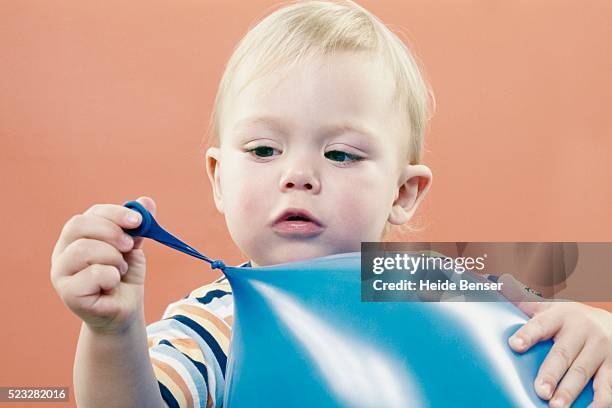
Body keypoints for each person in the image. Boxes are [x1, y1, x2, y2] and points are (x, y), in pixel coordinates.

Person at [50, 1, 612, 407]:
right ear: (219, 179)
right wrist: (111, 333)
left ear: (402, 193)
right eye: (264, 149)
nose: (299, 175)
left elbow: (576, 327)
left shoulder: (462, 284)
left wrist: (594, 333)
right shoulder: (217, 324)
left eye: (341, 154)